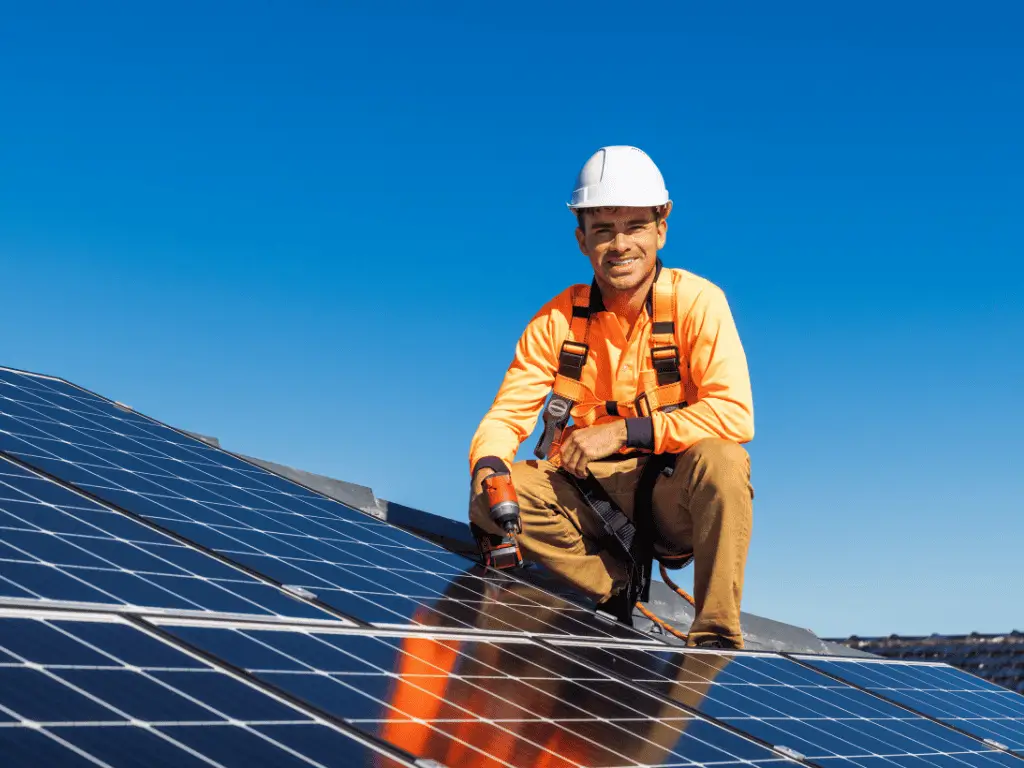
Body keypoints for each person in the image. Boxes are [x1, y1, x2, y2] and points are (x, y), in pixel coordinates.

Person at [468, 145, 755, 649]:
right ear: (582, 240)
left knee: (725, 461)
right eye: (603, 230)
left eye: (634, 226)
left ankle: (714, 636)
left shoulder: (697, 302)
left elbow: (733, 414)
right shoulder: (556, 320)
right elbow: (505, 417)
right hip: (584, 498)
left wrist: (624, 432)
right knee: (493, 492)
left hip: (669, 495)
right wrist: (489, 466)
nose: (619, 244)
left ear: (661, 228)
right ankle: (613, 583)